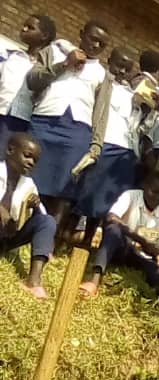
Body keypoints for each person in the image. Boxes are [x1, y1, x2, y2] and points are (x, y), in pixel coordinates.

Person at [28, 20, 110, 244]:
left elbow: (100, 114)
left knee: (64, 191)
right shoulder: (54, 51)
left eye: (101, 44)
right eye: (93, 39)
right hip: (43, 122)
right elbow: (32, 81)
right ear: (81, 33)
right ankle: (20, 232)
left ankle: (47, 242)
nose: (95, 45)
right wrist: (65, 63)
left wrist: (96, 145)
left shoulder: (103, 74)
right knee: (31, 180)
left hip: (77, 133)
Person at [81, 171, 159, 318]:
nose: (157, 197)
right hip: (120, 247)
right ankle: (94, 281)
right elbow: (111, 217)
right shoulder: (131, 196)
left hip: (142, 257)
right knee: (113, 230)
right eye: (154, 191)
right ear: (145, 186)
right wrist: (141, 239)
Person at [72, 46, 138, 245]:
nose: (122, 72)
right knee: (87, 193)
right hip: (103, 144)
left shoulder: (133, 93)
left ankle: (88, 242)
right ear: (110, 61)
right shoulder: (103, 81)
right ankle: (65, 235)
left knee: (107, 201)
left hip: (125, 150)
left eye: (127, 69)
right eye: (119, 66)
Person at [0, 132, 56, 295]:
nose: (31, 162)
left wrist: (33, 207)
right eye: (27, 156)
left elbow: (43, 220)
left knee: (47, 221)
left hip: (8, 237)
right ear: (10, 150)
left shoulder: (29, 184)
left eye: (35, 161)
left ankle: (34, 281)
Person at [0, 14, 57, 150]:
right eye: (24, 26)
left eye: (30, 27)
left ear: (44, 35)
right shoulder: (10, 55)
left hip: (21, 121)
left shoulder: (46, 67)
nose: (23, 29)